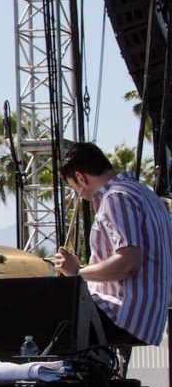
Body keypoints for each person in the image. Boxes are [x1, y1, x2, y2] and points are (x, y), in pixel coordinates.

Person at [54, 142, 172, 347]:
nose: (80, 196)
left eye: (75, 189)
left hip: (123, 314)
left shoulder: (116, 197)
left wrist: (78, 271)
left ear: (81, 178)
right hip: (147, 319)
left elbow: (129, 262)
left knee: (45, 317)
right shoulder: (147, 195)